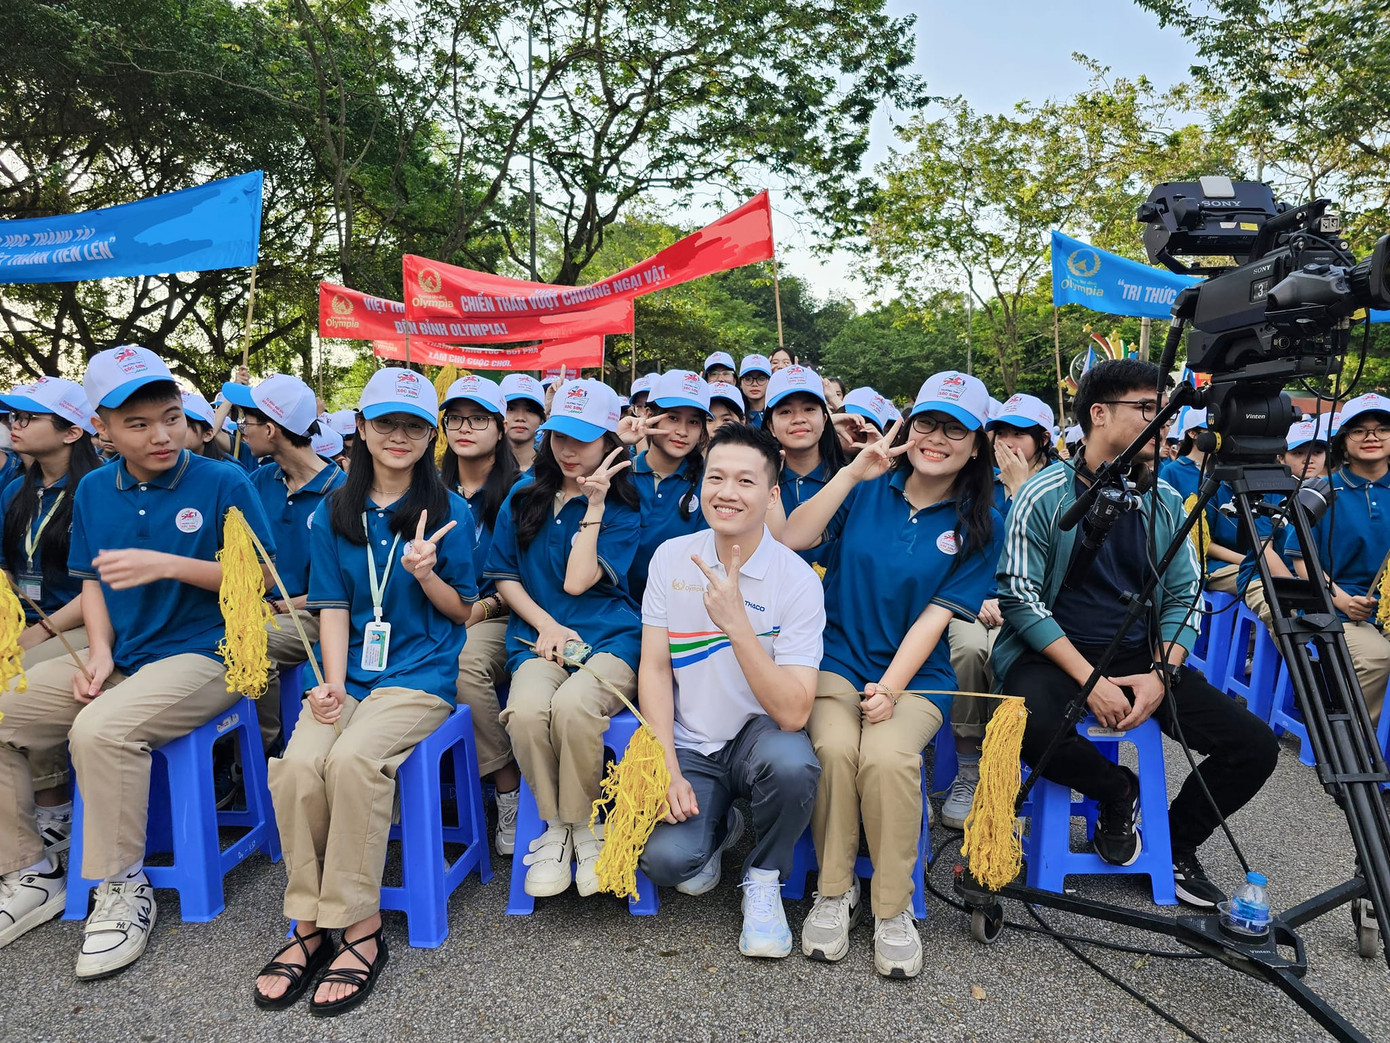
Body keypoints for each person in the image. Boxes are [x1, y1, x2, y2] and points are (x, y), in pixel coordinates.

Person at [0, 345, 278, 977]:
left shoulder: (223, 480)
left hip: (209, 653)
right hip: (124, 653)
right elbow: (92, 581)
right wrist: (98, 653)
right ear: (100, 427)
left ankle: (122, 885)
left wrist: (169, 564)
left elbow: (262, 578)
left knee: (101, 730)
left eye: (171, 418)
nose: (161, 436)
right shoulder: (96, 489)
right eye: (139, 424)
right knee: (6, 711)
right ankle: (29, 871)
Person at [993, 358, 1279, 910]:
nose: (1163, 422)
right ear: (1098, 414)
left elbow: (1185, 594)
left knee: (1254, 747)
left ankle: (1175, 842)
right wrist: (1091, 681)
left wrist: (1162, 673)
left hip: (1140, 656)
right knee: (1027, 723)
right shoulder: (1044, 493)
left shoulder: (1165, 500)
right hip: (1052, 655)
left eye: (1163, 409)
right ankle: (1117, 789)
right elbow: (1021, 600)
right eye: (1147, 408)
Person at [255, 366, 477, 1016]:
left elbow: (464, 611)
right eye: (385, 423)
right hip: (349, 672)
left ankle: (360, 926)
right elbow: (331, 606)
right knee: (298, 764)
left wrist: (427, 575)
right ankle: (306, 922)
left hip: (420, 674)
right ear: (360, 427)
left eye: (414, 425)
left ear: (431, 435)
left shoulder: (450, 511)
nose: (398, 436)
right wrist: (328, 685)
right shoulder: (334, 512)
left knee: (353, 761)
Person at [783, 371, 1003, 978]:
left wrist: (892, 687)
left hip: (919, 673)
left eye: (955, 429)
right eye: (927, 423)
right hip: (836, 658)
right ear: (909, 425)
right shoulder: (867, 485)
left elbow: (937, 616)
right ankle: (834, 892)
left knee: (887, 758)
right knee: (834, 749)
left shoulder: (985, 517)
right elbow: (794, 537)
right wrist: (852, 473)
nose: (937, 439)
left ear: (976, 444)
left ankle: (891, 905)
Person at [638, 424, 824, 957]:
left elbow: (793, 712)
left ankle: (763, 878)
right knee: (667, 863)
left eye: (746, 481)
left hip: (758, 737)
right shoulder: (670, 558)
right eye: (715, 478)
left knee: (794, 765)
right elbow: (654, 669)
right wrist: (666, 765)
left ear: (772, 495)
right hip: (691, 741)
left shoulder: (797, 580)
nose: (727, 492)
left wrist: (737, 624)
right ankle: (721, 825)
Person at [485, 379, 643, 898]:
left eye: (583, 438)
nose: (568, 449)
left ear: (608, 442)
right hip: (537, 640)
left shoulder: (625, 506)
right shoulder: (523, 494)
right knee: (526, 711)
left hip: (609, 639)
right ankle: (559, 828)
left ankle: (585, 825)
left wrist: (594, 506)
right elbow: (504, 574)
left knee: (575, 707)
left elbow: (577, 582)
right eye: (559, 436)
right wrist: (545, 624)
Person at [941, 392, 1054, 830]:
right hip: (973, 602)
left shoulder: (1060, 485)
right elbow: (952, 551)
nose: (1008, 442)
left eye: (1020, 434)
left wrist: (1022, 490)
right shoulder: (975, 481)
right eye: (1001, 432)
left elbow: (1057, 559)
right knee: (971, 652)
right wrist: (977, 599)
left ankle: (1003, 772)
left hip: (1035, 608)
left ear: (1042, 439)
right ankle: (969, 769)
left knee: (1010, 662)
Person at [0, 377, 102, 855]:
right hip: (26, 621)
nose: (15, 425)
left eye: (28, 417)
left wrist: (39, 632)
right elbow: (7, 569)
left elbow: (100, 587)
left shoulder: (96, 491)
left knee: (20, 679)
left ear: (72, 431)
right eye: (13, 417)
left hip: (85, 623)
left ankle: (53, 809)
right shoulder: (14, 493)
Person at [221, 373, 347, 752]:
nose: (241, 429)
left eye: (246, 420)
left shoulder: (341, 494)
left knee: (253, 642)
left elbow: (346, 588)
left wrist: (282, 606)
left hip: (316, 614)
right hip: (257, 608)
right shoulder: (260, 480)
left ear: (271, 429)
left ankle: (260, 751)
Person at [440, 374, 525, 853]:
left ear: (500, 427)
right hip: (438, 612)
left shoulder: (523, 490)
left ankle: (506, 785)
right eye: (455, 419)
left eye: (477, 419)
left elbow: (532, 577)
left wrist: (483, 607)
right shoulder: (428, 489)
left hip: (502, 615)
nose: (464, 429)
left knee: (464, 661)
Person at [1289, 392, 1390, 726]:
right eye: (1359, 430)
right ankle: (1354, 742)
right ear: (1343, 441)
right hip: (1336, 607)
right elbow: (1301, 561)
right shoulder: (1320, 490)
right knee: (1376, 657)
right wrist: (1344, 600)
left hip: (1387, 608)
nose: (1372, 437)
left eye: (1382, 428)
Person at [620, 370, 711, 603]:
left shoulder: (708, 484)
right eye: (673, 418)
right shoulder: (620, 475)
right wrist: (616, 442)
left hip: (682, 608)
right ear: (649, 415)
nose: (682, 431)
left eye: (693, 422)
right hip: (617, 609)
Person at [1241, 416, 1331, 629]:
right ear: (1281, 457)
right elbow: (1264, 549)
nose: (1308, 459)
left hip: (1310, 579)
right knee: (1283, 614)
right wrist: (1297, 588)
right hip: (1263, 575)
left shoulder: (1330, 491)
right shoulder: (1267, 492)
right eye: (1298, 453)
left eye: (1316, 452)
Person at [761, 365, 846, 565]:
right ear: (771, 426)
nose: (798, 419)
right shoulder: (756, 483)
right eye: (786, 411)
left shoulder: (850, 481)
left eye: (809, 409)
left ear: (825, 419)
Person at [1158, 407, 1243, 593]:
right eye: (1210, 431)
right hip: (1189, 559)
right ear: (1193, 433)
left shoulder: (1226, 471)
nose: (1218, 436)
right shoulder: (1172, 471)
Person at [499, 374, 546, 473]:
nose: (520, 418)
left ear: (541, 418)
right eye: (510, 409)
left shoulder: (553, 470)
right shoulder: (481, 467)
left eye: (530, 410)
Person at [181, 390, 234, 463]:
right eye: (171, 421)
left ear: (207, 435)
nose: (175, 431)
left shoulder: (226, 469)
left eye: (185, 424)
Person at [738, 355, 772, 427]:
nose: (754, 384)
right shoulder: (734, 415)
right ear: (740, 383)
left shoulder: (778, 412)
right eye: (748, 379)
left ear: (770, 381)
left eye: (761, 378)